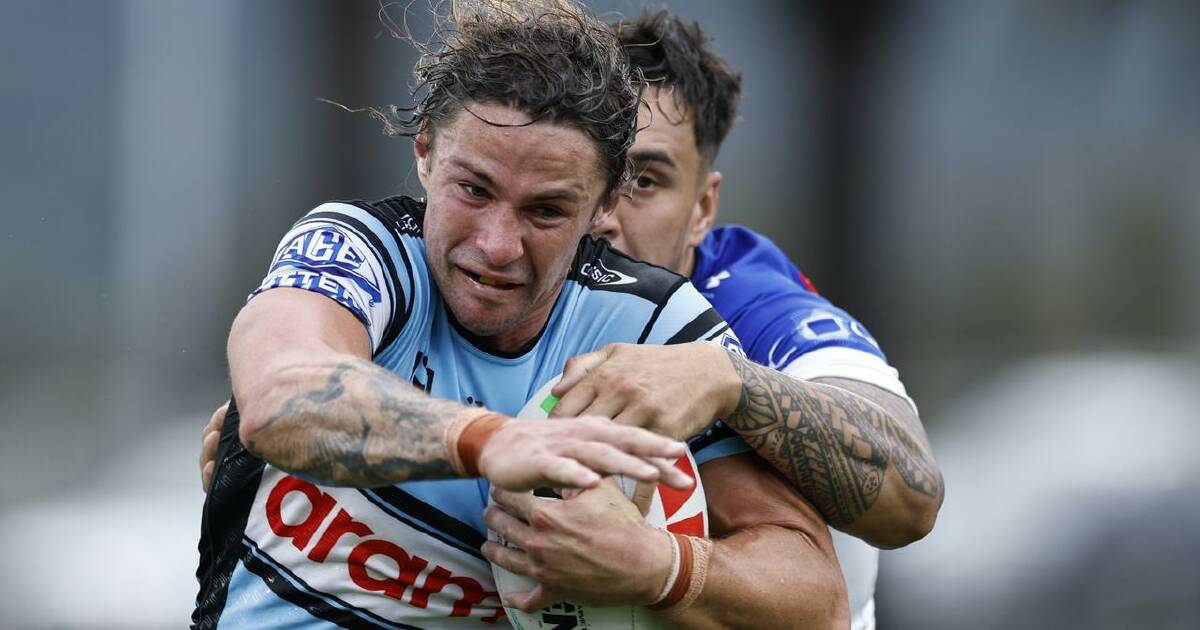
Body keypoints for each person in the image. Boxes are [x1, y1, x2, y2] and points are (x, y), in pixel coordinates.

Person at [194, 2, 847, 628]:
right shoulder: (362, 252)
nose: (498, 245)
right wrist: (494, 441)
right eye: (473, 190)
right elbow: (283, 392)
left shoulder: (656, 326)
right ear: (424, 152)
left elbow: (818, 601)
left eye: (546, 211)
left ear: (605, 205)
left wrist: (660, 567)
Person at [474, 10, 944, 630]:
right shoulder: (481, 283)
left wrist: (730, 380)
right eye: (588, 174)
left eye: (643, 179)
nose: (606, 212)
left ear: (702, 209)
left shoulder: (750, 304)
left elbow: (913, 497)